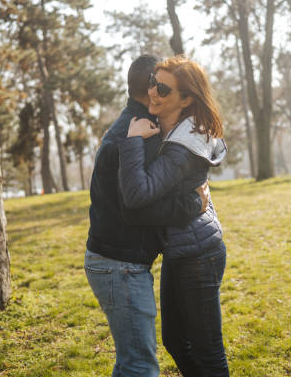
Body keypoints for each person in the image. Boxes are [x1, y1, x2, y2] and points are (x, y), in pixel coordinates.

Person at [85, 54, 208, 377]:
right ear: (150, 87)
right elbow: (137, 206)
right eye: (158, 84)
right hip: (119, 265)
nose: (158, 90)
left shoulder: (134, 125)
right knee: (139, 366)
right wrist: (194, 205)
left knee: (131, 362)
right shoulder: (140, 134)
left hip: (115, 261)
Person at [118, 55, 230, 376]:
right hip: (182, 251)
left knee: (207, 351)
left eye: (163, 89)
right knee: (176, 341)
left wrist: (132, 141)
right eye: (154, 81)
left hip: (199, 256)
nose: (152, 91)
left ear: (186, 99)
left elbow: (138, 195)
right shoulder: (174, 129)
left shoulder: (183, 144)